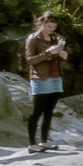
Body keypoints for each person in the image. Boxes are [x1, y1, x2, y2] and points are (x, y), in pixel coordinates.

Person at [24, 11, 69, 153]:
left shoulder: (56, 38)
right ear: (41, 24)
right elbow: (30, 60)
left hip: (56, 76)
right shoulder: (33, 38)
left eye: (53, 27)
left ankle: (44, 141)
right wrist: (48, 53)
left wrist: (63, 55)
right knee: (37, 111)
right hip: (40, 78)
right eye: (49, 26)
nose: (52, 29)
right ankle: (32, 143)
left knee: (49, 111)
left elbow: (60, 58)